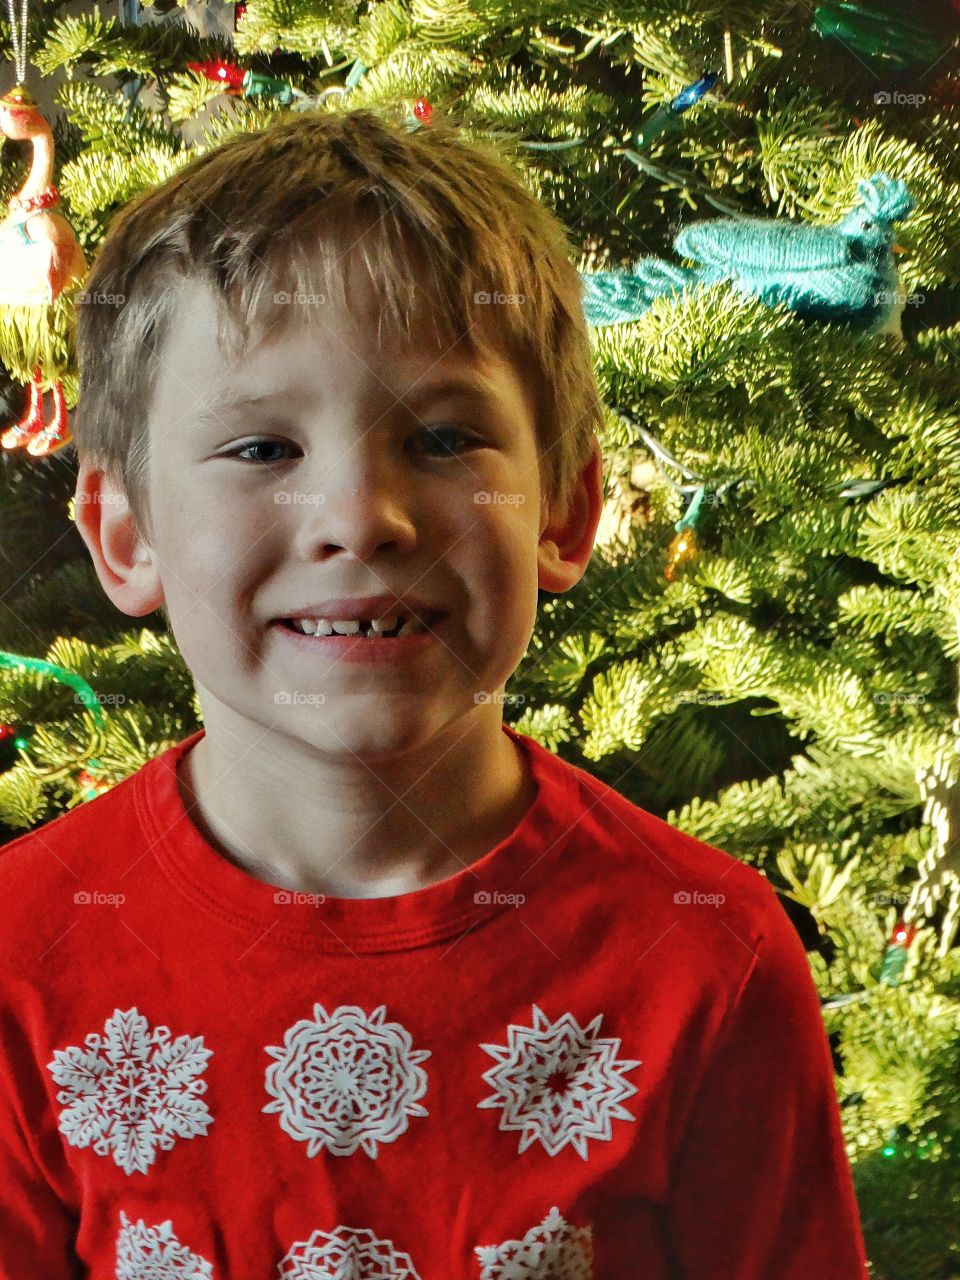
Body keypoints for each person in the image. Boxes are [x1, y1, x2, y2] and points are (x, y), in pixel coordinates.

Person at [0, 107, 869, 1278]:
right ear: (123, 535)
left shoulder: (709, 957)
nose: (364, 516)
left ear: (563, 509)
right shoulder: (20, 955)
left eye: (446, 438)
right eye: (262, 449)